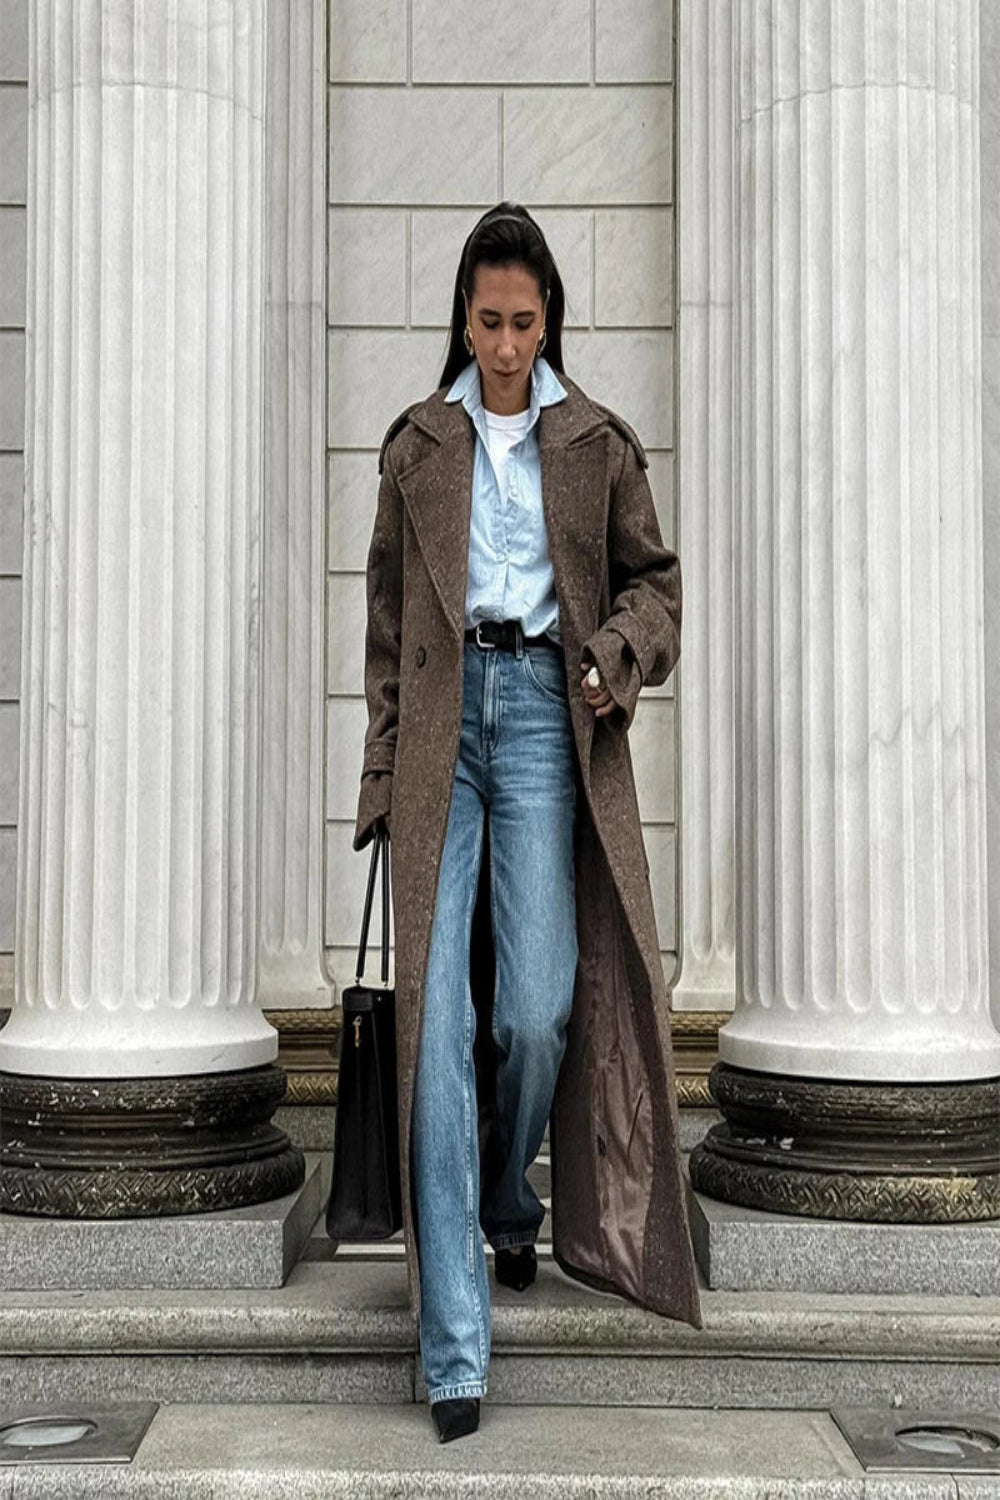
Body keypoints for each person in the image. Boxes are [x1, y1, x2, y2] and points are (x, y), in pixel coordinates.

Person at [353, 203, 702, 1444]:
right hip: (445, 738)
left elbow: (657, 586)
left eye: (524, 321)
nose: (505, 345)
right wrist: (382, 779)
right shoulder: (417, 448)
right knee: (435, 1029)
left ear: (549, 318)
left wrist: (616, 652)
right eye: (488, 321)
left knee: (536, 1009)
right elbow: (392, 640)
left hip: (555, 721)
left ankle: (511, 1199)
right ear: (462, 316)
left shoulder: (596, 440)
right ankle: (454, 1350)